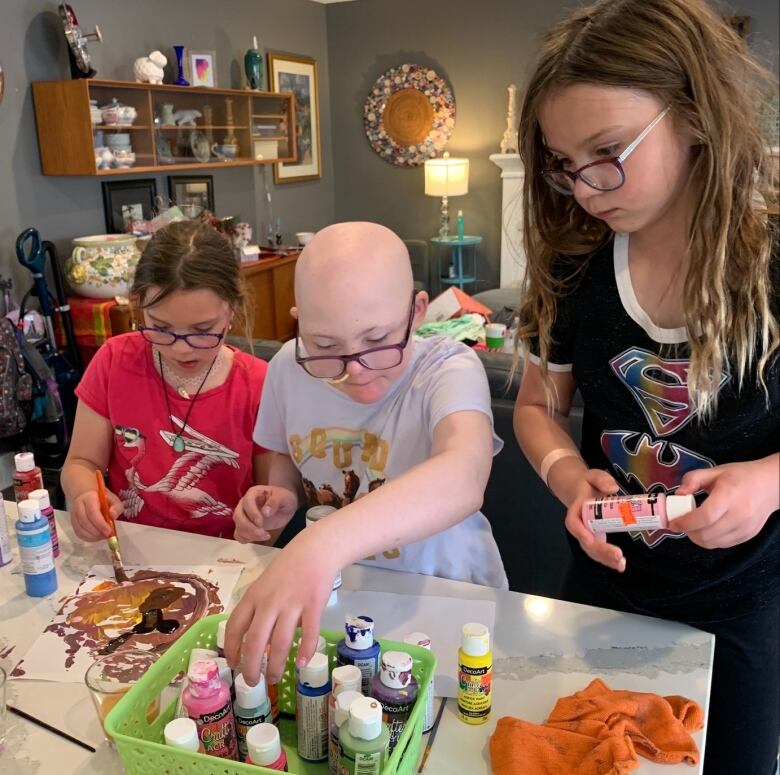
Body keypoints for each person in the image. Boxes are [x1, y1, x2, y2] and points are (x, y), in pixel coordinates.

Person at [511, 1, 779, 773]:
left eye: (606, 150)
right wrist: (567, 477)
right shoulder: (574, 262)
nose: (586, 187)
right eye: (563, 162)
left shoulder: (771, 259)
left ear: (694, 115)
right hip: (604, 590)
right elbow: (536, 405)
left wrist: (767, 481)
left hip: (742, 603)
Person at [226, 221, 507, 684]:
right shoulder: (286, 368)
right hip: (345, 598)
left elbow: (464, 472)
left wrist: (319, 544)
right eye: (325, 346)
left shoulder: (448, 367)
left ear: (416, 312)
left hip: (450, 599)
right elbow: (283, 457)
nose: (355, 371)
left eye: (377, 341)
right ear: (300, 324)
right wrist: (282, 496)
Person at [62, 220, 268, 541]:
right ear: (137, 305)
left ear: (233, 309)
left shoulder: (258, 384)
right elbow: (81, 461)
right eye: (160, 327)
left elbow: (273, 497)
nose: (180, 348)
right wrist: (86, 495)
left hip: (227, 559)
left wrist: (261, 522)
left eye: (202, 331)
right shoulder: (114, 360)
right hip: (134, 550)